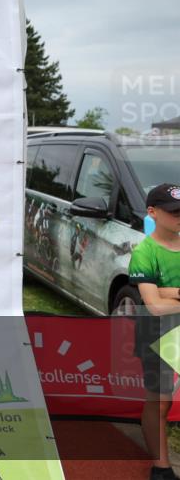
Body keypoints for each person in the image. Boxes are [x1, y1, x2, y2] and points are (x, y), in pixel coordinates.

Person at [128, 183, 180, 480]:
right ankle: (161, 468)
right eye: (174, 212)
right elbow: (154, 306)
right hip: (156, 333)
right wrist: (164, 295)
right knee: (159, 401)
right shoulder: (144, 252)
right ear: (152, 212)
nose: (179, 217)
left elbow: (161, 299)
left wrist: (169, 292)